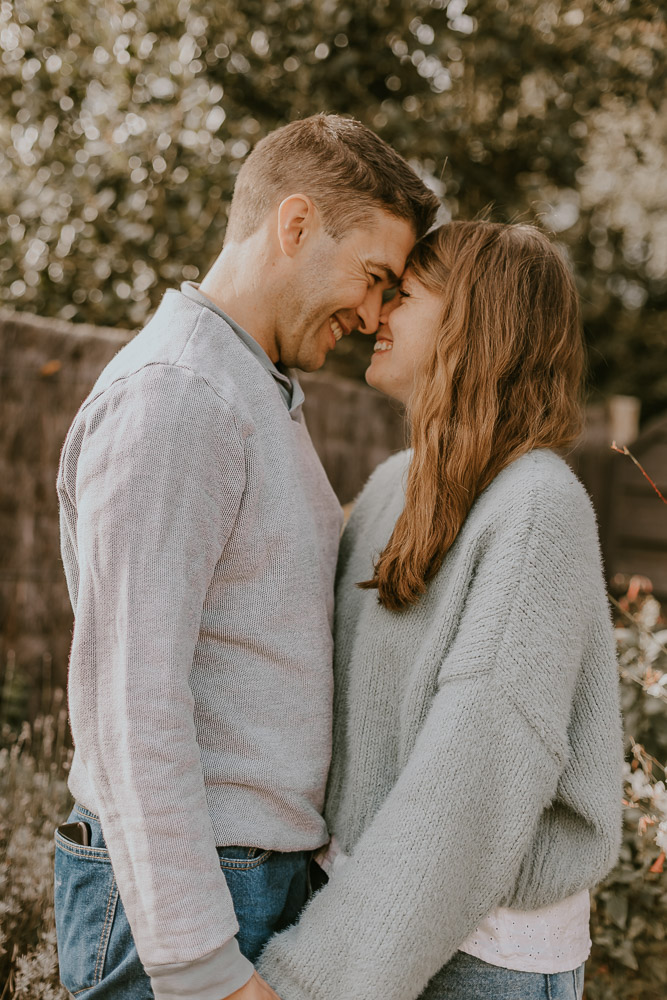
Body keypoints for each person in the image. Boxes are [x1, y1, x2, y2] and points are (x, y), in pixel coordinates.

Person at [53, 113, 439, 1000]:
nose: (373, 315)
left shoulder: (249, 387)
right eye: (374, 278)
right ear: (295, 224)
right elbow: (131, 701)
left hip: (243, 874)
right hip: (190, 900)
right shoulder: (180, 397)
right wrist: (200, 965)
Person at [257, 221, 624, 1000]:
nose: (375, 312)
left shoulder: (536, 507)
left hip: (479, 958)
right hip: (363, 924)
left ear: (473, 325)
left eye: (406, 294)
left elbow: (471, 782)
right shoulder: (391, 487)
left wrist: (307, 978)